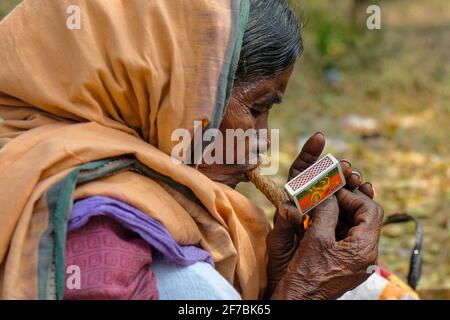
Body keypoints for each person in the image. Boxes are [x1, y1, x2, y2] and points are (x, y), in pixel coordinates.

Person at [0, 0, 383, 300]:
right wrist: (305, 291)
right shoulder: (97, 230)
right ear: (166, 89)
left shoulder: (158, 196)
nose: (263, 141)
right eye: (256, 108)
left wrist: (281, 273)